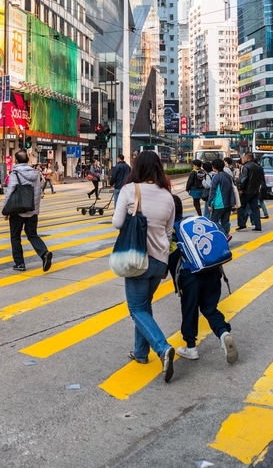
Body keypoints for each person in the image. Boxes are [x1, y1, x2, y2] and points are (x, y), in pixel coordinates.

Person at [112, 150, 177, 382]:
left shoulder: (130, 190)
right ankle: (140, 353)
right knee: (144, 306)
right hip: (160, 261)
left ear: (136, 167)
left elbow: (117, 223)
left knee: (136, 309)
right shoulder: (168, 196)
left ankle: (162, 348)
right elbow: (169, 233)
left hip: (138, 259)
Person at [172, 193, 238, 364]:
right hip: (213, 270)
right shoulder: (194, 221)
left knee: (190, 309)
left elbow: (172, 257)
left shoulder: (174, 229)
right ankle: (223, 333)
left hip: (191, 276)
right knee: (209, 309)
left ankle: (191, 347)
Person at [2, 149, 53, 272]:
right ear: (28, 160)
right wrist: (35, 209)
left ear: (16, 160)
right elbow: (38, 191)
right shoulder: (35, 173)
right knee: (32, 234)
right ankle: (44, 253)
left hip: (18, 209)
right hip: (32, 209)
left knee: (15, 236)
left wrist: (5, 210)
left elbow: (10, 192)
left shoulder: (15, 173)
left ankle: (20, 264)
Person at [207, 158, 236, 237]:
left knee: (213, 221)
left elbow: (213, 192)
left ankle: (225, 235)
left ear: (214, 167)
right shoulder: (228, 176)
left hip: (219, 203)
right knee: (225, 221)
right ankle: (226, 237)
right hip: (229, 202)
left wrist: (210, 204)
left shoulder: (216, 177)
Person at [236, 151, 264, 232]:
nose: (242, 159)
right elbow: (260, 179)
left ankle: (242, 225)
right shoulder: (258, 167)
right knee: (255, 208)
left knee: (241, 207)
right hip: (255, 191)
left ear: (247, 158)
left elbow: (243, 179)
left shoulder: (246, 167)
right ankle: (258, 226)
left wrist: (240, 188)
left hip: (246, 191)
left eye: (243, 157)